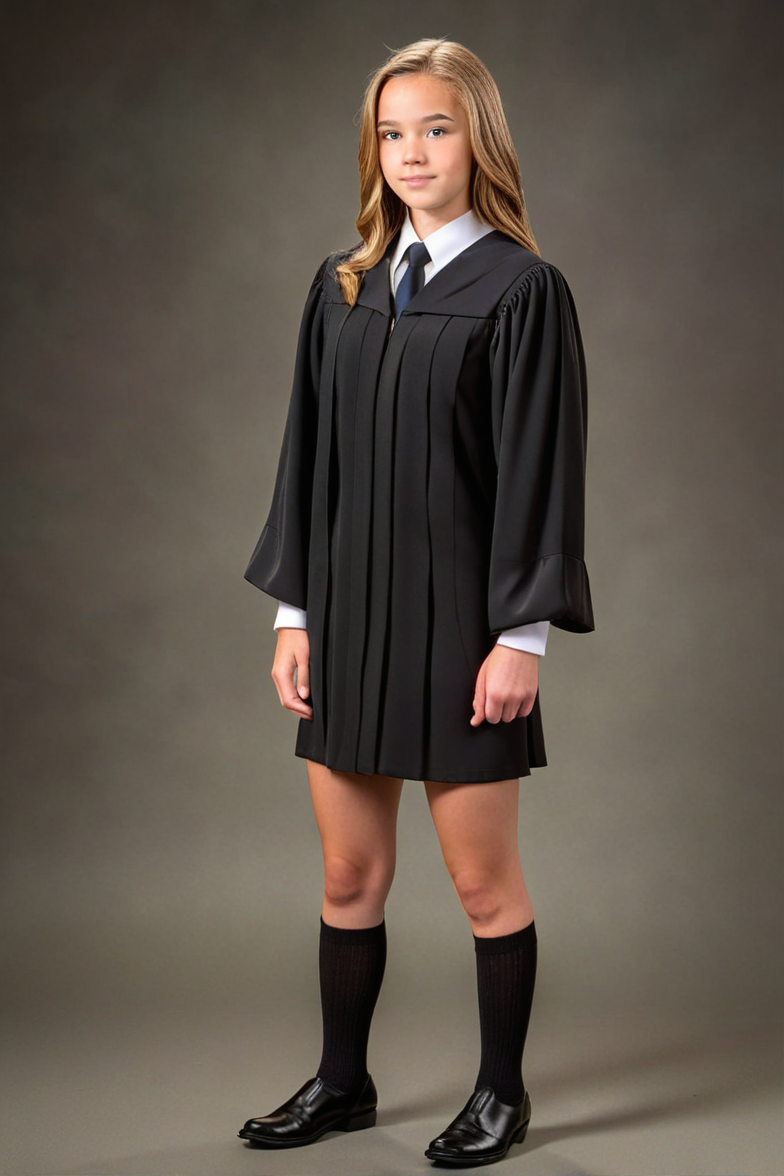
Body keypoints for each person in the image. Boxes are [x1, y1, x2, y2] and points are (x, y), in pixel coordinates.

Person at [238, 36, 594, 1167]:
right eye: (391, 133)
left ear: (477, 138)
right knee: (349, 874)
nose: (411, 152)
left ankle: (501, 1095)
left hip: (460, 632)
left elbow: (540, 472)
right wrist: (294, 614)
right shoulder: (342, 286)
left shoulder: (522, 291)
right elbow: (308, 459)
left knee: (481, 884)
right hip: (347, 620)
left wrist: (520, 638)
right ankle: (343, 1083)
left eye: (436, 128)